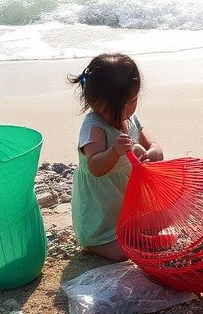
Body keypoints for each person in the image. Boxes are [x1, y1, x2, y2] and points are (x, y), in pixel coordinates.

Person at [69, 53, 163, 260]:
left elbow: (152, 145)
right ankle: (96, 242)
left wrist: (154, 153)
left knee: (164, 219)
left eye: (131, 101)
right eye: (117, 106)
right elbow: (95, 167)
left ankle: (133, 234)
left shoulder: (131, 120)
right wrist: (113, 152)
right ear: (95, 102)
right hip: (101, 210)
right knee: (122, 254)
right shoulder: (94, 127)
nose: (125, 110)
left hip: (125, 200)